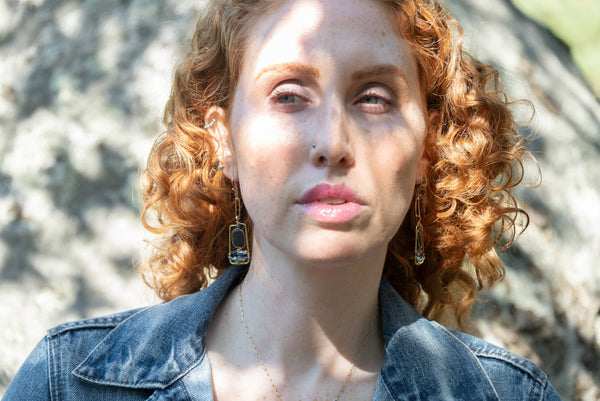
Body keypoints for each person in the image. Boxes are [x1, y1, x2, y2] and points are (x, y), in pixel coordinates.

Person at [4, 0, 563, 399]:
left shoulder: (510, 394)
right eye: (289, 96)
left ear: (427, 148)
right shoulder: (68, 383)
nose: (332, 144)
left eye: (373, 98)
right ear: (223, 138)